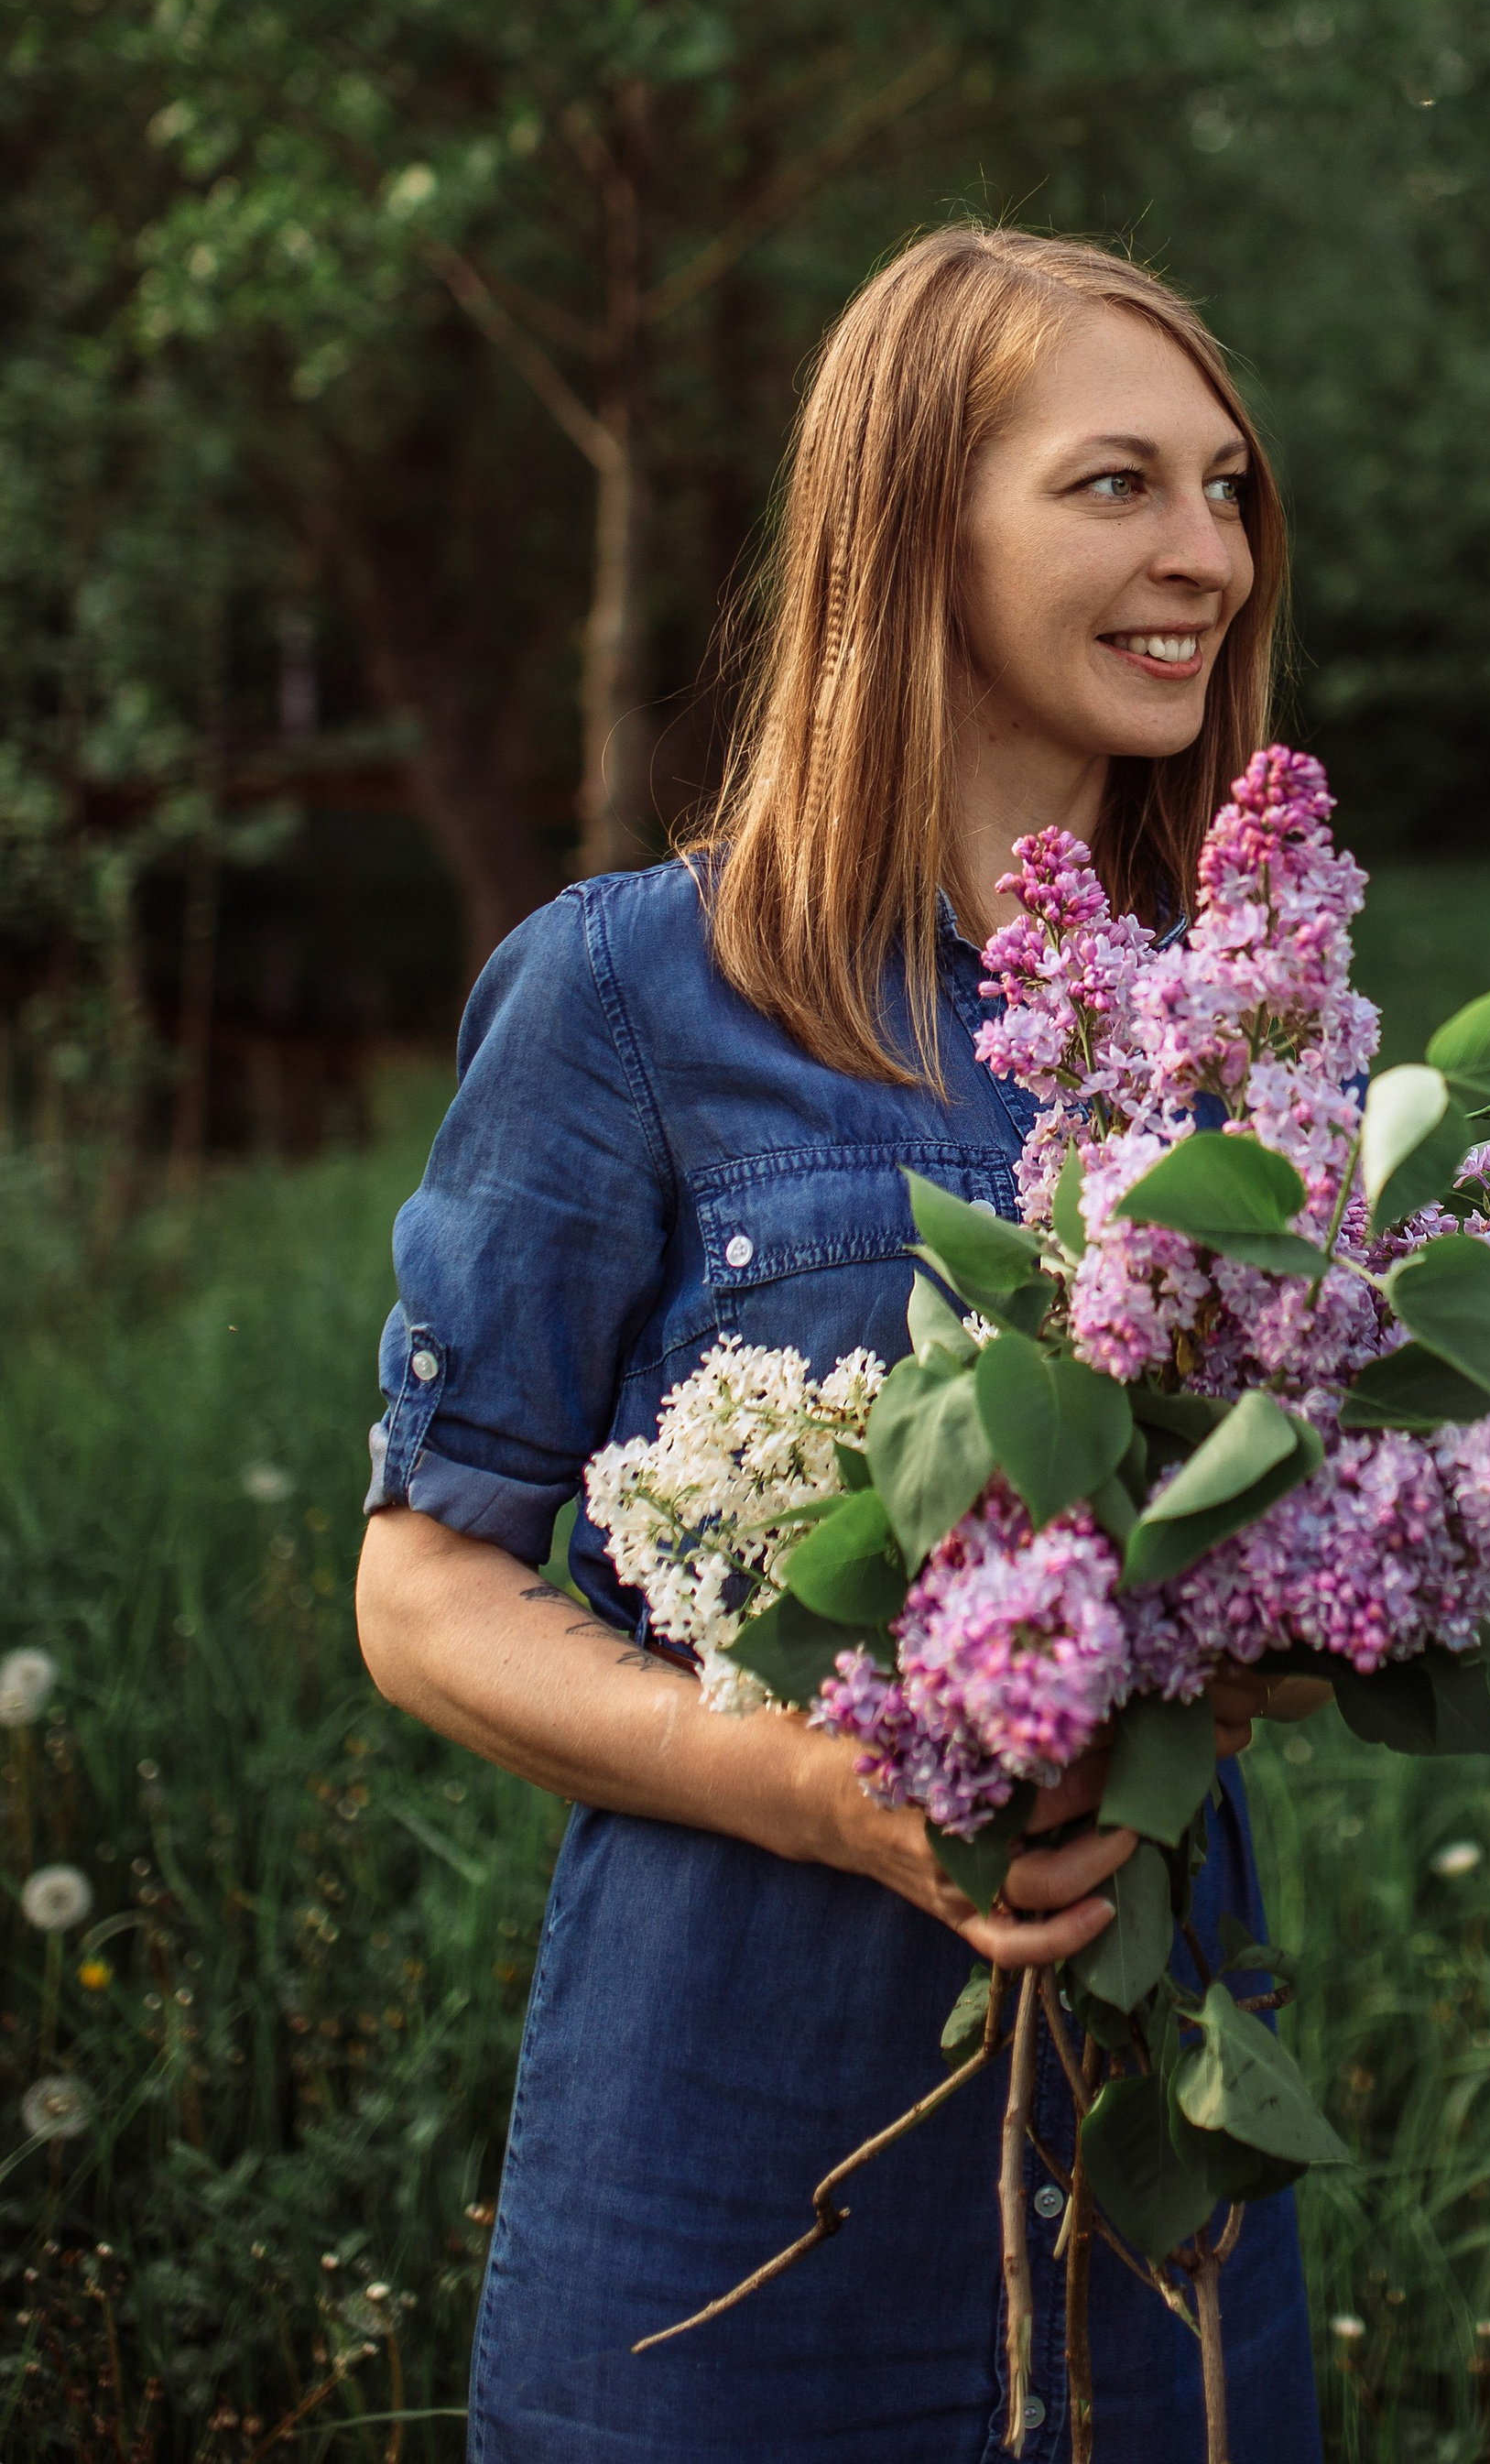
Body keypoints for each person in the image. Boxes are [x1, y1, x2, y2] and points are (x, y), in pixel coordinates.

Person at [354, 225, 1324, 2461]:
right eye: (1115, 487)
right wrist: (826, 1788)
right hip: (729, 2169)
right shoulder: (633, 996)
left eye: (1227, 487)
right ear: (912, 532)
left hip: (1164, 2136)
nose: (1208, 553)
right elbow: (421, 1594)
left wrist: (1278, 1625)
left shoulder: (1241, 1034)